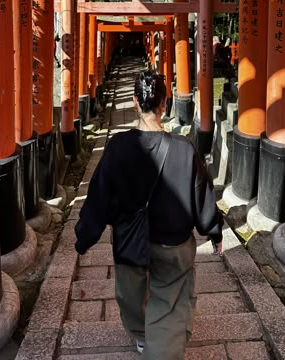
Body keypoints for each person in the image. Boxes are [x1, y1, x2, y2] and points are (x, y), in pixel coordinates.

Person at [74, 71, 223, 359]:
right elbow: (201, 194)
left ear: (133, 102)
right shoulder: (184, 149)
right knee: (169, 300)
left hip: (129, 242)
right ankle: (160, 344)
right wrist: (212, 229)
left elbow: (99, 196)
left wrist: (85, 236)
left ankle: (141, 334)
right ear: (164, 104)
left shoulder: (117, 147)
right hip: (173, 244)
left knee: (130, 294)